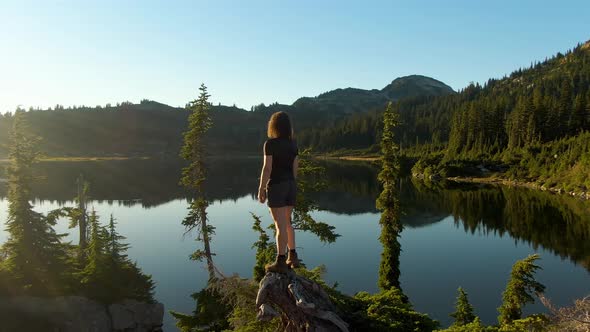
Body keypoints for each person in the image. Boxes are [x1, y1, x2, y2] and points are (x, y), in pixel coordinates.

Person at [258, 111, 301, 274]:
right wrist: (291, 184)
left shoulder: (270, 144)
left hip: (277, 186)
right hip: (291, 184)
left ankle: (281, 261)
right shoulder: (293, 145)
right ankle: (293, 256)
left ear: (273, 125)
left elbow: (267, 168)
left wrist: (261, 188)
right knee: (287, 222)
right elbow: (295, 169)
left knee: (280, 225)